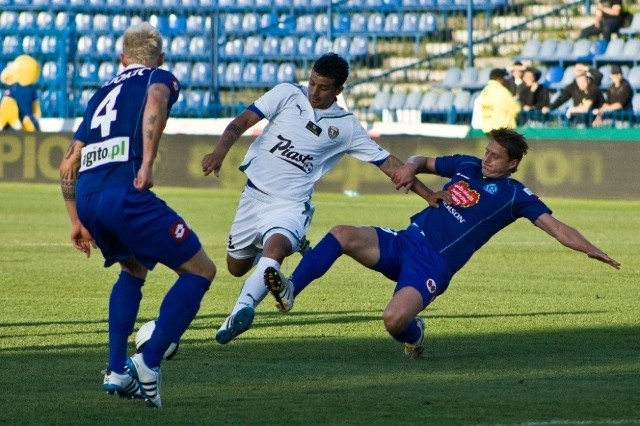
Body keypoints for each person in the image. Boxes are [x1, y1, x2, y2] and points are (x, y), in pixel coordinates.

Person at [263, 127, 620, 359]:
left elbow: (555, 226)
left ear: (512, 164)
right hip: (406, 241)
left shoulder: (514, 195)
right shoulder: (466, 164)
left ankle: (415, 336)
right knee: (342, 233)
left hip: (432, 266)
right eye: (487, 150)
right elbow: (423, 159)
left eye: (496, 156)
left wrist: (590, 247)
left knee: (393, 320)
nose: (486, 158)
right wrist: (411, 168)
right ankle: (292, 289)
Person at [201, 52, 446, 345]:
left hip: (290, 205)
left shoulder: (345, 126)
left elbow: (388, 163)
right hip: (253, 197)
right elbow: (242, 121)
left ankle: (240, 312)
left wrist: (427, 193)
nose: (314, 92)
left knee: (275, 250)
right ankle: (284, 246)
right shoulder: (287, 94)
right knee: (236, 267)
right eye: (312, 83)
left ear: (339, 90)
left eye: (324, 87)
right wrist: (219, 152)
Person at [59, 22, 216, 408]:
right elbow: (157, 101)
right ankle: (148, 361)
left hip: (90, 199)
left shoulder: (100, 94)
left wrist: (75, 220)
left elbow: (68, 161)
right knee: (200, 270)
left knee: (132, 269)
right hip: (124, 193)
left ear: (122, 58)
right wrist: (146, 164)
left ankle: (116, 370)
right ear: (159, 58)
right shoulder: (159, 76)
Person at [477, 68, 521, 133]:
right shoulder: (502, 91)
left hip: (487, 129)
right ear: (499, 79)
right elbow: (516, 109)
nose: (504, 80)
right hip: (502, 130)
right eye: (503, 78)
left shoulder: (484, 91)